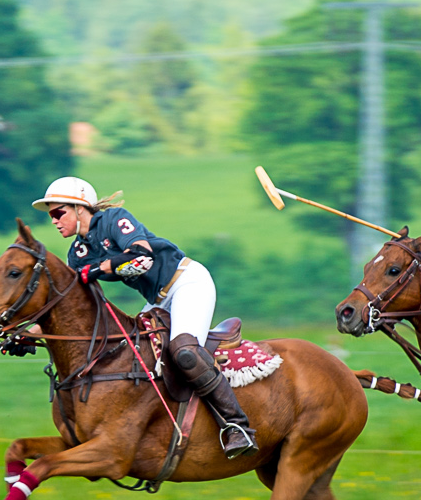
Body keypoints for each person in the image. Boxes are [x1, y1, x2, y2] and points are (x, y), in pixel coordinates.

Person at [33, 176, 257, 458]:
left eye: (57, 212)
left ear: (80, 208)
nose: (53, 220)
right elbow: (73, 308)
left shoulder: (114, 219)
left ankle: (237, 426)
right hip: (158, 300)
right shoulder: (77, 254)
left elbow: (142, 257)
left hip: (187, 282)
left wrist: (99, 269)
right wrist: (28, 335)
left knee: (185, 352)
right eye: (51, 215)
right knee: (134, 352)